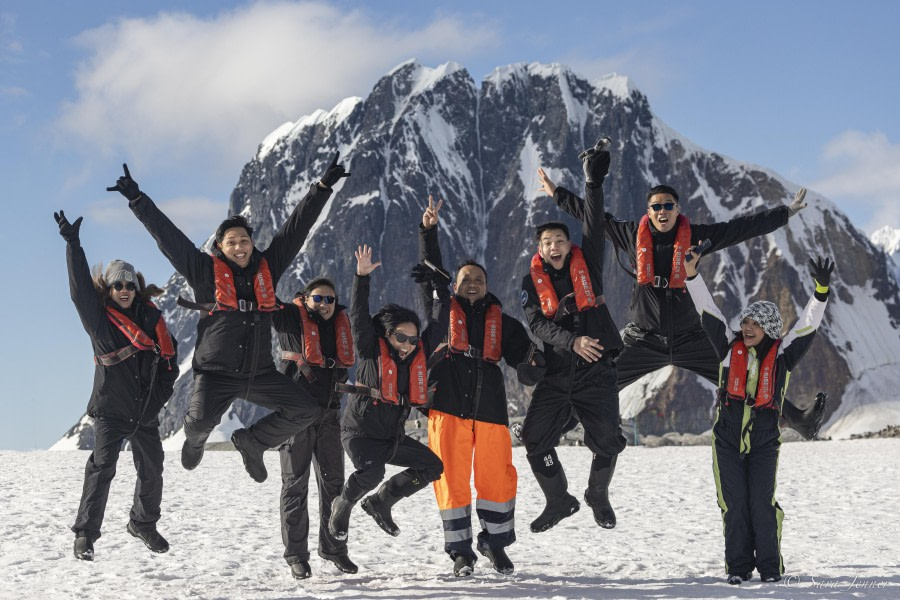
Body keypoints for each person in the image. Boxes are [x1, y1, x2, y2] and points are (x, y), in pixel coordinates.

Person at [535, 139, 826, 524]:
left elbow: (740, 229)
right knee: (598, 380)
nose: (661, 212)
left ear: (677, 210)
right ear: (648, 211)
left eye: (668, 206)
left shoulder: (699, 236)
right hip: (643, 339)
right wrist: (557, 194)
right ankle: (558, 424)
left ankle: (800, 421)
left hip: (692, 339)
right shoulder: (627, 233)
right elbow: (591, 214)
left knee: (743, 376)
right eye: (655, 207)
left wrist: (784, 214)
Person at [106, 156, 348, 482]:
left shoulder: (269, 266)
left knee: (305, 410)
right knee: (197, 422)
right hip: (216, 374)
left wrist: (321, 188)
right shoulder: (204, 272)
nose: (239, 246)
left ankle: (252, 441)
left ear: (252, 244)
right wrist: (138, 200)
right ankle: (194, 441)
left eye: (244, 240)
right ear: (220, 247)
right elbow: (169, 238)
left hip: (259, 373)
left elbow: (296, 228)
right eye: (231, 242)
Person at [683, 245, 834, 585]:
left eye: (755, 323)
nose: (748, 327)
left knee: (761, 506)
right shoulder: (727, 345)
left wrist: (821, 292)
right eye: (745, 321)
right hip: (726, 440)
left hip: (765, 441)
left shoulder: (783, 356)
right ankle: (737, 568)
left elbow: (808, 325)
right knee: (734, 505)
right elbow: (707, 309)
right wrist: (692, 274)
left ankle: (769, 568)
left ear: (769, 328)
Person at [55, 210, 179, 561]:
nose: (124, 290)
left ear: (137, 288)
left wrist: (156, 402)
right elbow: (80, 290)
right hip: (110, 411)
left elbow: (170, 366)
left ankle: (143, 523)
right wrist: (73, 245)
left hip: (144, 412)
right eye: (117, 285)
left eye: (129, 285)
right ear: (109, 290)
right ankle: (85, 534)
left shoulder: (153, 320)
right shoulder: (99, 321)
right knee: (102, 468)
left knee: (152, 469)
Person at [328, 198, 449, 555]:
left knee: (431, 465)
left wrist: (430, 236)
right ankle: (343, 506)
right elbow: (358, 316)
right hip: (361, 433)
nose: (409, 344)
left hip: (391, 436)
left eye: (414, 339)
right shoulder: (370, 348)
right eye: (401, 337)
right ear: (387, 335)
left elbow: (440, 318)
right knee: (370, 471)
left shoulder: (420, 352)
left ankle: (381, 502)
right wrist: (361, 278)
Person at [520, 140, 625, 535]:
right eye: (547, 243)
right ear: (540, 250)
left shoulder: (589, 268)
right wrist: (572, 342)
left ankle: (598, 494)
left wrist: (591, 181)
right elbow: (537, 325)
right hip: (558, 371)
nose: (555, 247)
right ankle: (558, 499)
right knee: (533, 439)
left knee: (608, 441)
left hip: (598, 369)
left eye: (560, 241)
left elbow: (595, 223)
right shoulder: (529, 283)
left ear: (569, 245)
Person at [423, 213, 538, 576]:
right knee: (451, 479)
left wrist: (537, 365)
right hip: (446, 408)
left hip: (490, 410)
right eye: (465, 279)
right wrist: (429, 231)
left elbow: (527, 358)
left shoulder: (503, 322)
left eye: (479, 279)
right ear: (455, 285)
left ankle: (495, 544)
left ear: (487, 286)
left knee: (497, 477)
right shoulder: (441, 311)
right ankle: (460, 552)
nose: (472, 283)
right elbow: (430, 273)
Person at [273, 278, 357, 579]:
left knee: (335, 486)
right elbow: (264, 297)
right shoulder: (289, 320)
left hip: (330, 415)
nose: (324, 304)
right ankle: (296, 554)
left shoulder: (340, 326)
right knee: (295, 484)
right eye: (318, 298)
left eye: (330, 300)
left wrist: (360, 278)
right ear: (306, 298)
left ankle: (333, 549)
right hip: (296, 415)